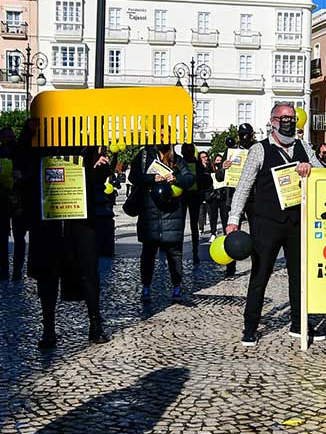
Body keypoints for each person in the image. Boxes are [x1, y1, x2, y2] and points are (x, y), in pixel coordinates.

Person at [225, 104, 325, 346]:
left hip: (296, 222)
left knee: (298, 276)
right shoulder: (259, 150)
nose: (289, 122)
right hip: (266, 222)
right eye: (284, 118)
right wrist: (233, 220)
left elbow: (323, 173)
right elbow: (244, 186)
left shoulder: (304, 147)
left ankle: (299, 324)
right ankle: (250, 326)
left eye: (292, 118)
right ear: (273, 121)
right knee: (260, 275)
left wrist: (310, 169)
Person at [19, 120, 111, 348]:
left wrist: (101, 166)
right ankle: (48, 328)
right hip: (47, 219)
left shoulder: (84, 143)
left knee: (88, 271)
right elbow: (22, 164)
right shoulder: (35, 142)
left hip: (78, 219)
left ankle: (95, 323)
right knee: (47, 275)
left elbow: (97, 178)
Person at [129, 135, 195, 302]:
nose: (162, 139)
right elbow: (133, 177)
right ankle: (145, 287)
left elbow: (190, 179)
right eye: (160, 134)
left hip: (172, 213)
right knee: (148, 253)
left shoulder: (177, 160)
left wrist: (176, 178)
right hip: (149, 213)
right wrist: (153, 178)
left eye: (166, 136)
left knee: (174, 252)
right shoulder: (144, 156)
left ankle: (177, 286)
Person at [216, 124, 256, 278]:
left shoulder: (257, 149)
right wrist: (223, 167)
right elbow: (219, 177)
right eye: (241, 135)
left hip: (253, 198)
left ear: (252, 135)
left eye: (247, 135)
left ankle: (257, 265)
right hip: (232, 197)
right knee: (231, 232)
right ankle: (230, 267)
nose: (244, 137)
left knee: (257, 232)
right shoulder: (230, 152)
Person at [0, 127, 26, 281]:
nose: (11, 139)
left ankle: (16, 269)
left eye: (12, 136)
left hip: (18, 199)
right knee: (4, 236)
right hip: (5, 199)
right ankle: (6, 268)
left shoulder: (20, 152)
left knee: (18, 236)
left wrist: (21, 176)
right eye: (7, 137)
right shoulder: (17, 151)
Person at [180, 144, 204, 264]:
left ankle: (193, 251)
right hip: (188, 195)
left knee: (185, 224)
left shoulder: (182, 162)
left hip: (189, 195)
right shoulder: (195, 163)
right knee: (191, 225)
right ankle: (194, 252)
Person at [206, 153, 226, 240]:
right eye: (217, 160)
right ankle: (213, 232)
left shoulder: (225, 170)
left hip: (223, 196)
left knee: (224, 216)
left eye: (220, 161)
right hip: (212, 196)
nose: (218, 162)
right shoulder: (210, 170)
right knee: (213, 216)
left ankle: (225, 232)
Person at [197, 151, 211, 235]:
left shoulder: (210, 166)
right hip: (200, 191)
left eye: (206, 156)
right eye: (202, 157)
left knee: (210, 210)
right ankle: (200, 228)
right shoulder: (198, 167)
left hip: (209, 190)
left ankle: (212, 227)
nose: (205, 158)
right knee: (201, 211)